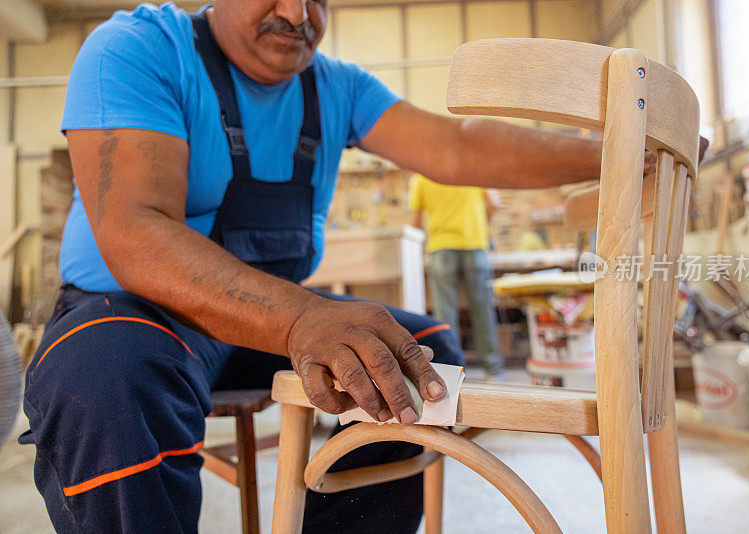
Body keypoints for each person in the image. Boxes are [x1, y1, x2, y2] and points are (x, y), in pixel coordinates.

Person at [18, 1, 621, 532]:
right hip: (135, 311)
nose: (298, 14)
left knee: (421, 352)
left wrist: (612, 151)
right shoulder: (140, 49)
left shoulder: (337, 88)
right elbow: (136, 235)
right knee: (107, 383)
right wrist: (303, 317)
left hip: (256, 326)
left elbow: (456, 144)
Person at [409, 175, 505, 378]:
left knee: (446, 314)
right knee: (483, 311)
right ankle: (493, 370)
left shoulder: (422, 176)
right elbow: (494, 203)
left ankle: (452, 372)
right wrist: (480, 221)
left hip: (441, 247)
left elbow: (415, 223)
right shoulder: (471, 169)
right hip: (474, 243)